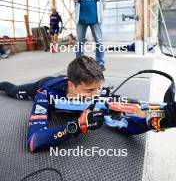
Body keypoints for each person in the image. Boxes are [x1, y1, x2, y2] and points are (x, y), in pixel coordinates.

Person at [0, 56, 176, 153]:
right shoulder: (45, 94)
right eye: (89, 90)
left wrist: (159, 120)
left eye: (98, 89)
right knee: (14, 90)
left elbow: (125, 125)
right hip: (43, 84)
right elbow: (34, 142)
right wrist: (79, 125)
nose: (95, 95)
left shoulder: (97, 95)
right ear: (71, 86)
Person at [73, 0, 106, 71]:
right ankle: (79, 63)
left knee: (99, 42)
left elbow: (103, 2)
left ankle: (100, 62)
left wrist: (100, 14)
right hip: (81, 19)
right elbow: (75, 0)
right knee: (79, 42)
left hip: (95, 18)